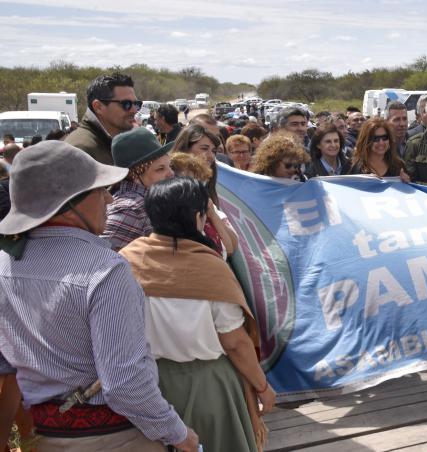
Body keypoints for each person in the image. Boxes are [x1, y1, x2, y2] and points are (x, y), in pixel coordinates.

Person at [0, 141, 198, 451]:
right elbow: (124, 383)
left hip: (41, 437)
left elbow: (7, 365)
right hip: (112, 438)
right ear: (71, 203)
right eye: (99, 190)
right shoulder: (105, 270)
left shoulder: (3, 264)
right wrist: (178, 433)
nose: (108, 198)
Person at [119, 177, 274, 452]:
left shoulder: (127, 260)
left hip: (149, 387)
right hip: (210, 388)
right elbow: (235, 343)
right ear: (198, 217)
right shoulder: (209, 266)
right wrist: (262, 387)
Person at [102, 127, 174, 251]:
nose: (171, 173)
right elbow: (100, 256)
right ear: (135, 175)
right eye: (160, 169)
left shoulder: (145, 201)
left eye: (170, 166)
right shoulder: (130, 208)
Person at [170, 125, 237, 257]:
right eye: (204, 148)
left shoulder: (207, 196)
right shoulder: (169, 196)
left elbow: (231, 247)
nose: (211, 156)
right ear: (185, 148)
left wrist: (212, 214)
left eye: (214, 151)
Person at [66, 73, 141, 164]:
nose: (134, 110)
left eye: (137, 104)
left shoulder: (115, 141)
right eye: (126, 104)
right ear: (98, 107)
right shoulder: (80, 150)